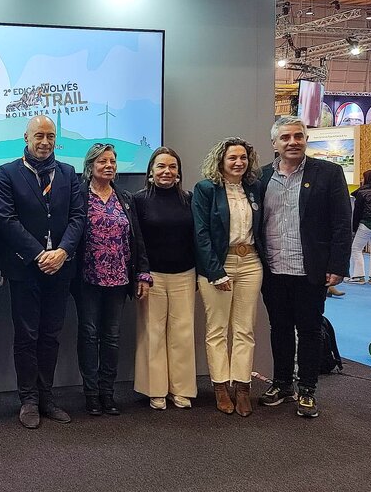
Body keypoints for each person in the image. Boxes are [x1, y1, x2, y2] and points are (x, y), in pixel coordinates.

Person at [0, 114, 85, 429]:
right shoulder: (7, 173)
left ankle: (47, 397)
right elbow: (6, 219)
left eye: (50, 136)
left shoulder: (68, 173)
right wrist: (38, 254)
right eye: (39, 136)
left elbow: (78, 217)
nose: (45, 142)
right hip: (25, 269)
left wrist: (62, 252)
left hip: (60, 268)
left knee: (51, 335)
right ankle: (28, 400)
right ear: (26, 138)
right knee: (27, 336)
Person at [258, 116, 352, 418]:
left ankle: (307, 389)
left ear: (306, 139)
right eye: (285, 137)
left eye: (298, 136)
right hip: (273, 268)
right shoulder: (260, 177)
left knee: (310, 330)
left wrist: (338, 265)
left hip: (310, 269)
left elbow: (342, 223)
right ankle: (282, 384)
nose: (293, 142)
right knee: (279, 329)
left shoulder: (328, 173)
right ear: (274, 143)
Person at [73, 143, 150, 416]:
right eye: (102, 162)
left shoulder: (125, 197)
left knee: (112, 337)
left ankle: (107, 393)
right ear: (90, 166)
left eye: (112, 162)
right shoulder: (79, 195)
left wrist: (142, 273)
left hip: (118, 279)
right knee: (89, 335)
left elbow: (137, 238)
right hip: (88, 279)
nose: (108, 166)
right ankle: (91, 394)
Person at [193, 137, 264, 417]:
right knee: (217, 329)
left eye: (243, 157)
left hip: (251, 263)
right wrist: (215, 272)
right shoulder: (206, 189)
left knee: (245, 329)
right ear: (221, 160)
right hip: (218, 265)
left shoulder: (254, 188)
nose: (238, 162)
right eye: (232, 157)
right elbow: (201, 234)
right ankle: (221, 387)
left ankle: (243, 387)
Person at [132, 147, 198, 411]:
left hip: (185, 274)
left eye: (172, 167)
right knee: (153, 334)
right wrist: (142, 273)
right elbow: (137, 241)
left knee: (183, 333)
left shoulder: (189, 199)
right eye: (161, 166)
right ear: (151, 171)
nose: (166, 172)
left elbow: (196, 238)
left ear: (178, 172)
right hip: (152, 277)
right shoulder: (138, 200)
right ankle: (155, 390)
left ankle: (180, 389)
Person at [348, 169, 371, 284]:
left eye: (363, 178)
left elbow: (357, 212)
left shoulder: (362, 193)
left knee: (356, 249)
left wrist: (354, 228)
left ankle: (359, 276)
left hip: (366, 224)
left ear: (366, 179)